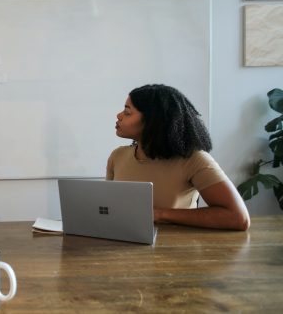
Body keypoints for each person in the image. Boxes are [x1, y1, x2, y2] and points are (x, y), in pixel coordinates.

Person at [107, 84, 250, 231]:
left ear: (153, 120)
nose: (119, 115)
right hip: (124, 245)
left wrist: (159, 214)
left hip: (176, 249)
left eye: (127, 112)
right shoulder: (117, 156)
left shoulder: (194, 159)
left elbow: (238, 218)